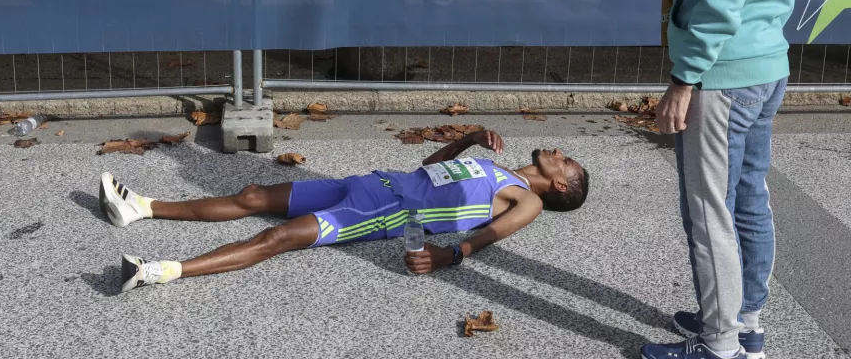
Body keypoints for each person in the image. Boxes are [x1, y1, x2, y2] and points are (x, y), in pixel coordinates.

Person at [647, 0, 813, 359]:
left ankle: (720, 344)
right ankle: (745, 320)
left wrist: (683, 80)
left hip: (721, 75)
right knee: (747, 197)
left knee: (708, 208)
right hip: (769, 64)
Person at [97, 130, 589, 293]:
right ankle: (140, 208)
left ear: (561, 184)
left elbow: (491, 235)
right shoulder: (500, 167)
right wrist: (468, 139)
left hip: (384, 212)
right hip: (374, 182)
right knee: (252, 195)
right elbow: (430, 166)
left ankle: (158, 271)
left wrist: (450, 257)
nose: (556, 153)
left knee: (278, 238)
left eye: (565, 161)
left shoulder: (527, 201)